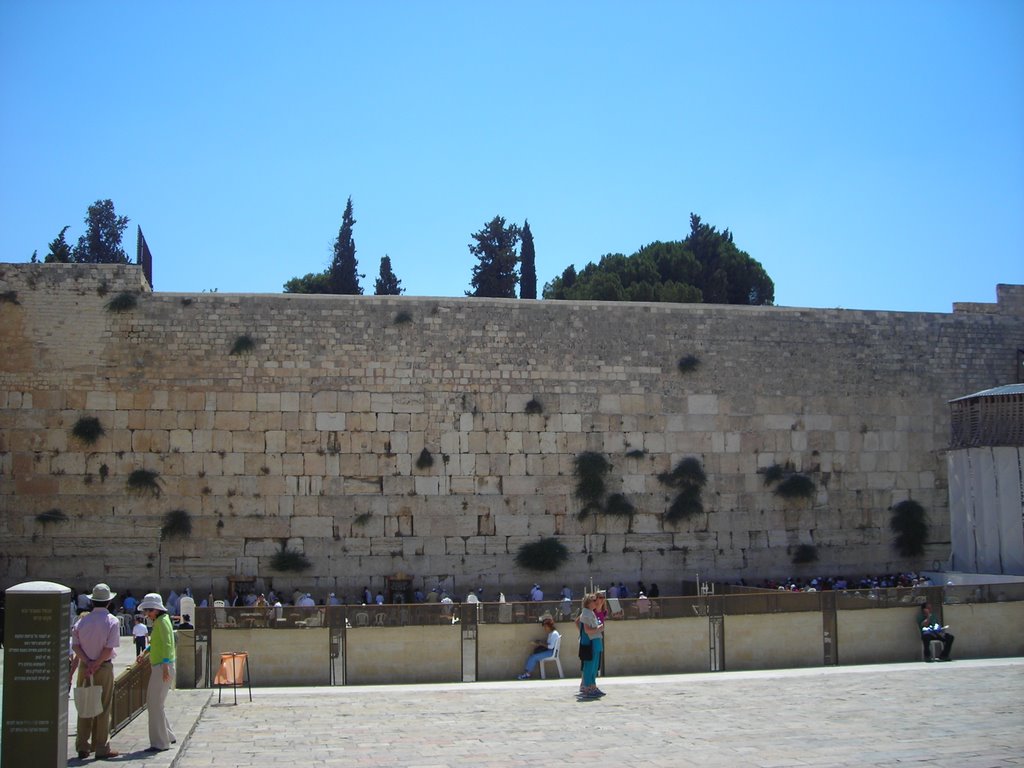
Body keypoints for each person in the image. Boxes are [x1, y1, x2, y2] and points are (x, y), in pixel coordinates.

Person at [72, 583, 121, 760]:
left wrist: (88, 663)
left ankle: (82, 746)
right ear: (108, 602)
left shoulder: (81, 621)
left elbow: (76, 646)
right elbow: (108, 649)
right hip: (104, 666)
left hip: (86, 667)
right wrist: (97, 663)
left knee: (84, 704)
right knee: (104, 706)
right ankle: (101, 747)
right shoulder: (112, 621)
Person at [137, 593, 177, 752]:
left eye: (148, 610)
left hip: (162, 666)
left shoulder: (162, 622)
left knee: (154, 703)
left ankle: (160, 742)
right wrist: (145, 652)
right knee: (157, 703)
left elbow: (168, 644)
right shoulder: (160, 622)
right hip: (161, 665)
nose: (147, 614)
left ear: (156, 610)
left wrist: (166, 665)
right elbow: (157, 643)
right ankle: (168, 735)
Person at [575, 593, 605, 699]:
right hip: (590, 643)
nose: (596, 602)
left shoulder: (591, 613)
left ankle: (592, 686)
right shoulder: (586, 614)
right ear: (588, 602)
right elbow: (587, 630)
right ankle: (587, 687)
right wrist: (599, 629)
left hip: (596, 642)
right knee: (589, 666)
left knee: (594, 666)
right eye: (594, 600)